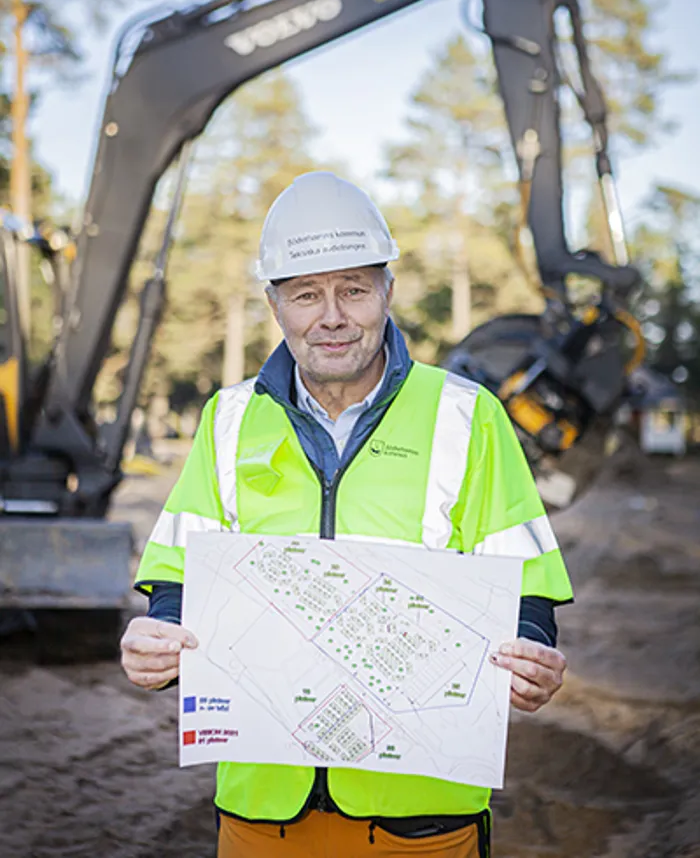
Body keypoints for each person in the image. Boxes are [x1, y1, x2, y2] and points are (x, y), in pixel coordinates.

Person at [121, 171, 572, 858]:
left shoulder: (467, 416)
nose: (331, 316)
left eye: (353, 289)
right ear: (276, 306)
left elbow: (525, 584)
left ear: (387, 290)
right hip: (263, 815)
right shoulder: (227, 420)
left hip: (420, 819)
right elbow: (180, 583)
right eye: (306, 294)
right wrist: (156, 641)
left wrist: (531, 649)